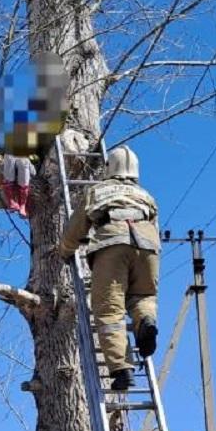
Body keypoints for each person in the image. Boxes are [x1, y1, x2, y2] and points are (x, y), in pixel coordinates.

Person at [58, 146, 159, 391]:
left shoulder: (97, 191)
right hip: (148, 245)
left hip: (113, 243)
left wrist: (64, 251)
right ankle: (145, 321)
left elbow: (76, 228)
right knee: (142, 296)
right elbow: (155, 224)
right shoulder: (145, 195)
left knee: (110, 310)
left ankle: (121, 369)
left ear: (109, 168)